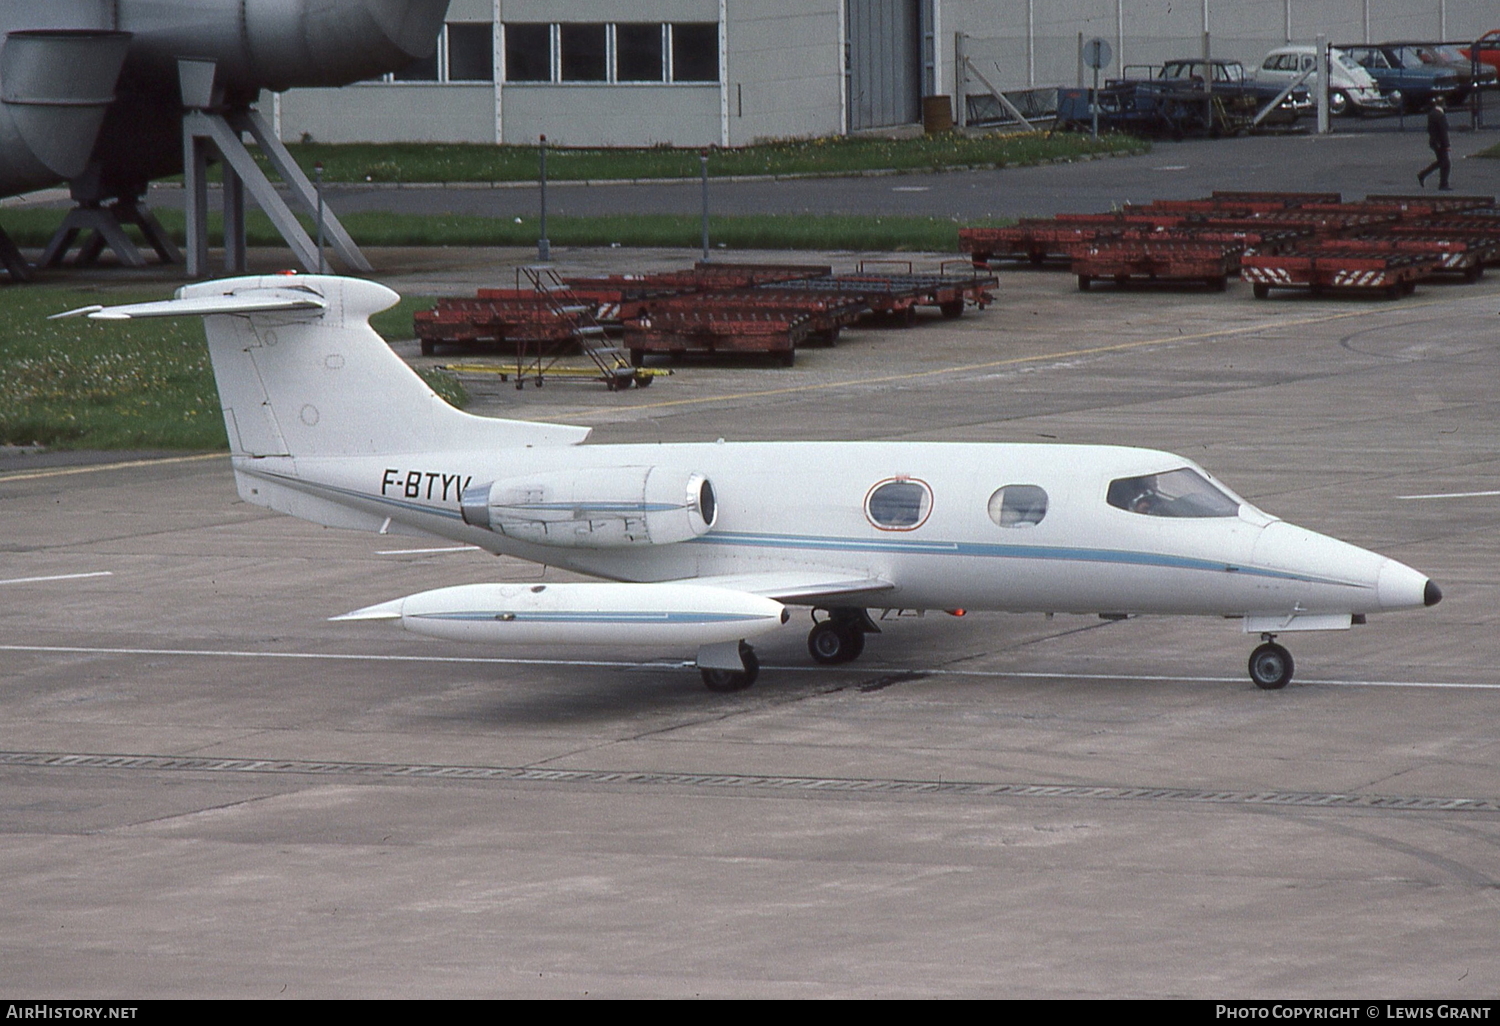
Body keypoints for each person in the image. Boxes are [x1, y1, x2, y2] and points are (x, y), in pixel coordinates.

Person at [1418, 98, 1452, 191]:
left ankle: (1423, 175)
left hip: (1435, 142)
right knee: (1446, 164)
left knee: (1441, 162)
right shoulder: (1440, 116)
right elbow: (1443, 132)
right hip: (1440, 143)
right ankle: (1443, 184)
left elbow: (1430, 129)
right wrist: (1447, 145)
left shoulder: (1432, 114)